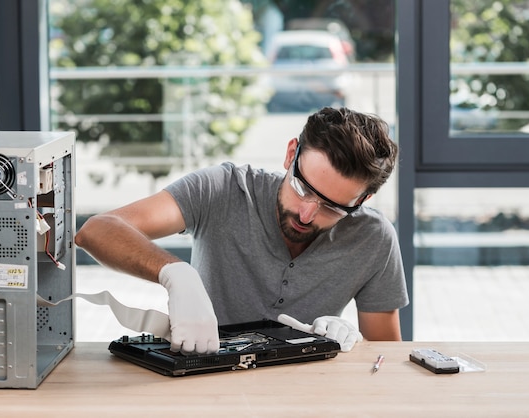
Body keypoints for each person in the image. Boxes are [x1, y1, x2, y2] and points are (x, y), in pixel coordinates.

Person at [75, 107, 409, 355]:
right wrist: (176, 275)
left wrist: (349, 340)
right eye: (301, 186)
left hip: (304, 392)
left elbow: (386, 359)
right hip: (204, 381)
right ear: (291, 154)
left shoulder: (374, 238)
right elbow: (97, 230)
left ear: (363, 199)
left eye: (333, 206)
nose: (306, 214)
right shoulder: (223, 190)